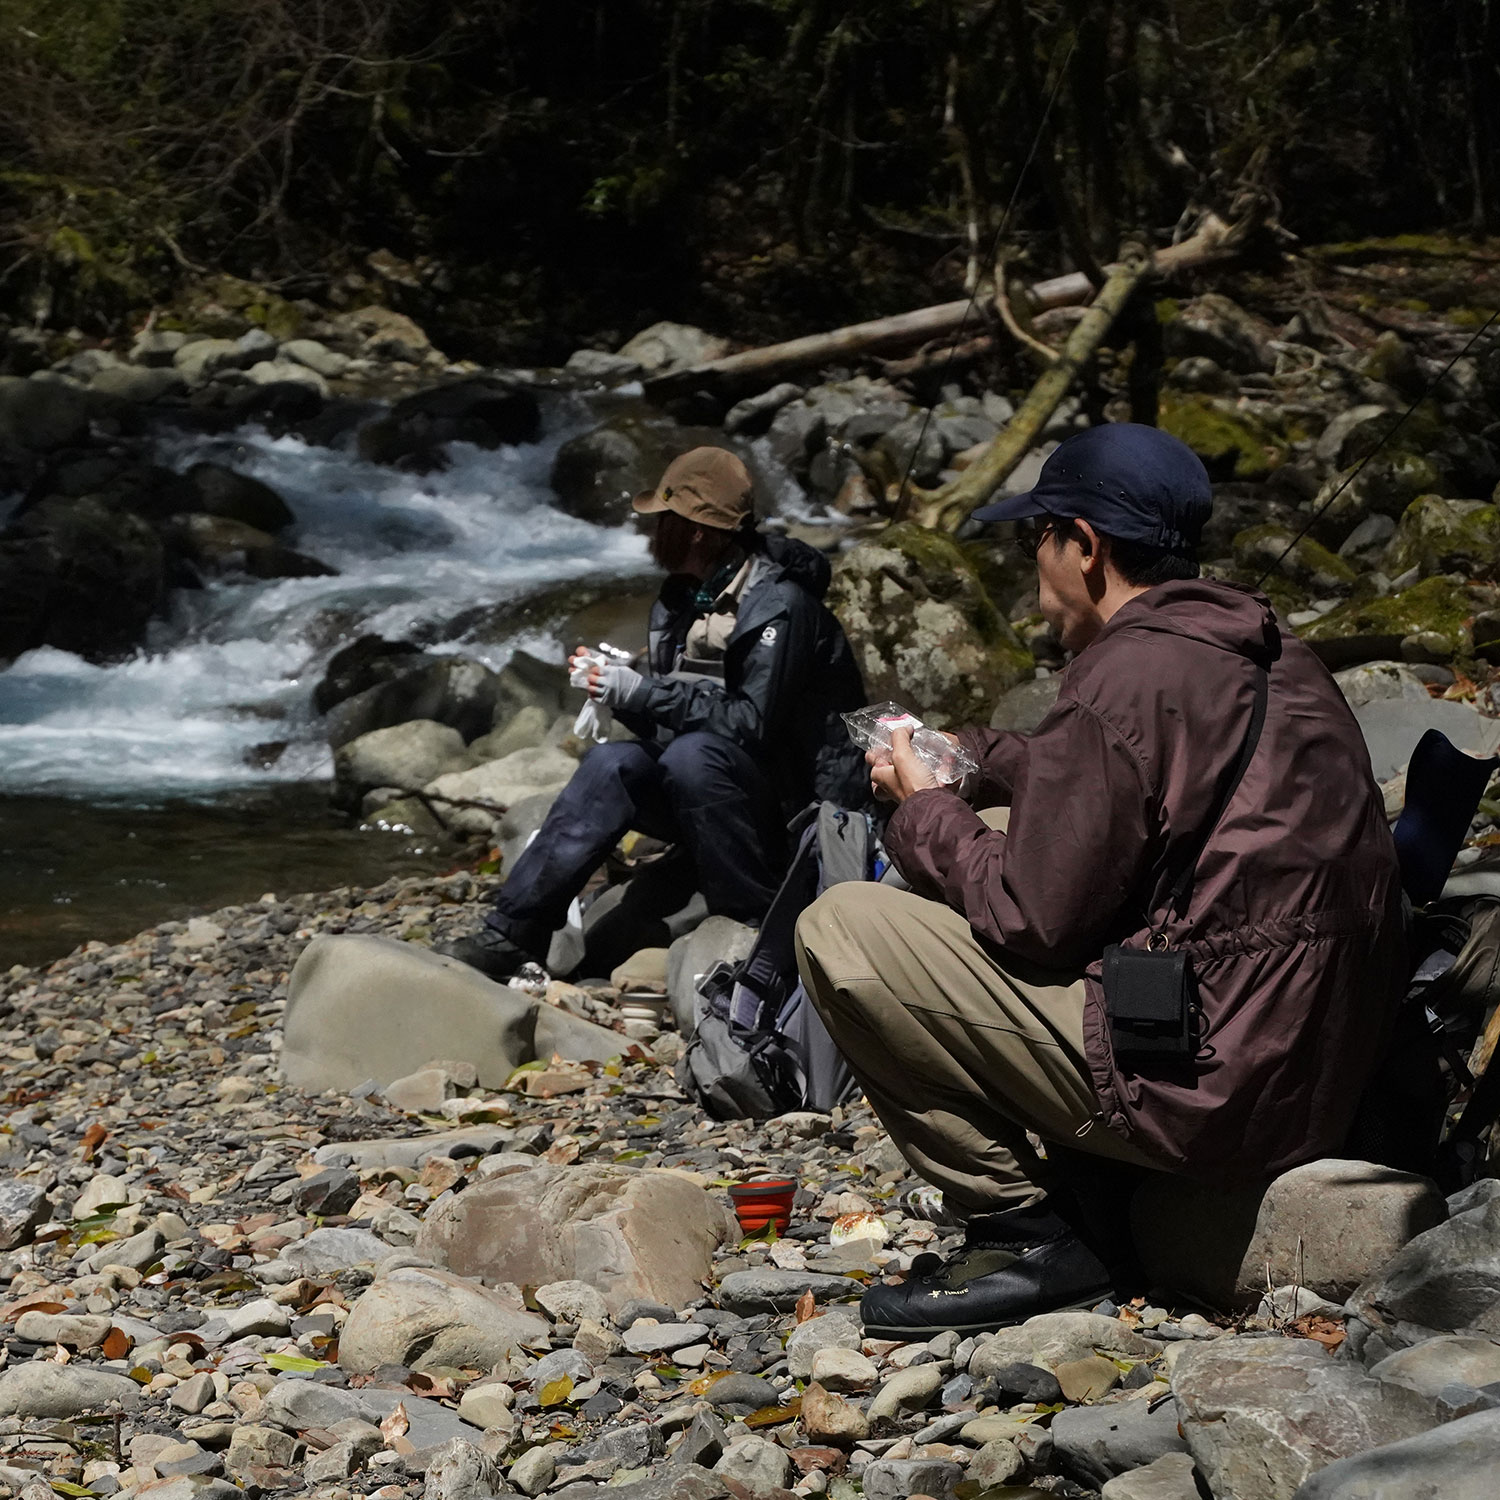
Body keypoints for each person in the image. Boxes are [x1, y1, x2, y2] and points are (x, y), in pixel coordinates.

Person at [794, 422, 1405, 1338]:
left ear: (1084, 545)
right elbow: (1114, 784)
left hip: (1216, 1092)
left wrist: (920, 810)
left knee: (842, 928)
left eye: (1034, 538)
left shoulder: (1121, 674)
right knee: (993, 828)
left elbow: (1031, 918)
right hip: (1315, 1067)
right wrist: (969, 761)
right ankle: (1091, 1184)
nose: (1031, 565)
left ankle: (1026, 1233)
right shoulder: (1265, 649)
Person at [443, 446, 868, 981]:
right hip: (714, 792)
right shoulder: (681, 600)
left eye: (659, 522)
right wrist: (612, 690)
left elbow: (749, 725)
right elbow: (675, 719)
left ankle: (751, 922)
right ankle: (513, 932)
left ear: (694, 531)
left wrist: (641, 694)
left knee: (694, 756)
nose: (647, 534)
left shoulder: (780, 605)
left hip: (789, 808)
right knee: (610, 764)